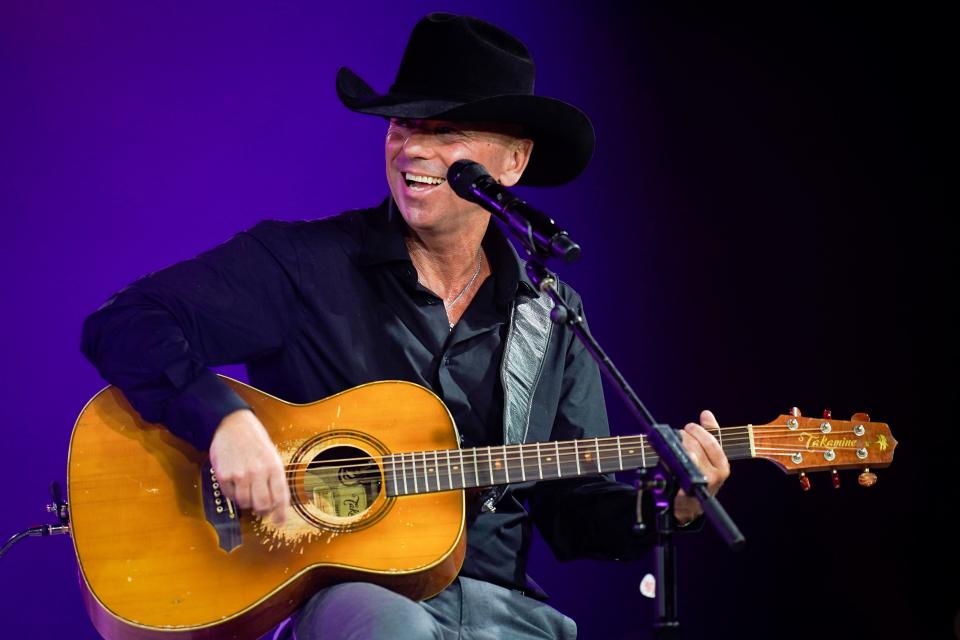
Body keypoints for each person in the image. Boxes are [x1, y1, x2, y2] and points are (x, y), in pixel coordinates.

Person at [81, 13, 730, 640]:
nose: (413, 147)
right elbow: (128, 321)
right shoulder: (303, 265)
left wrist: (673, 505)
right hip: (353, 606)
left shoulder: (551, 314)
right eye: (402, 123)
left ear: (512, 162)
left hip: (507, 614)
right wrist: (221, 418)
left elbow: (574, 511)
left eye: (447, 131)